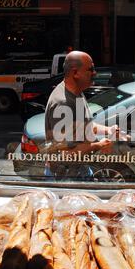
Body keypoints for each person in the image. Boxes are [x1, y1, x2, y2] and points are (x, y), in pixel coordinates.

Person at [44, 51, 123, 180]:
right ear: (75, 73)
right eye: (90, 69)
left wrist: (108, 130)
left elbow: (84, 126)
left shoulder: (76, 92)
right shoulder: (63, 103)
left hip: (80, 171)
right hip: (66, 178)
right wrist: (99, 145)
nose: (94, 73)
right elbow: (66, 155)